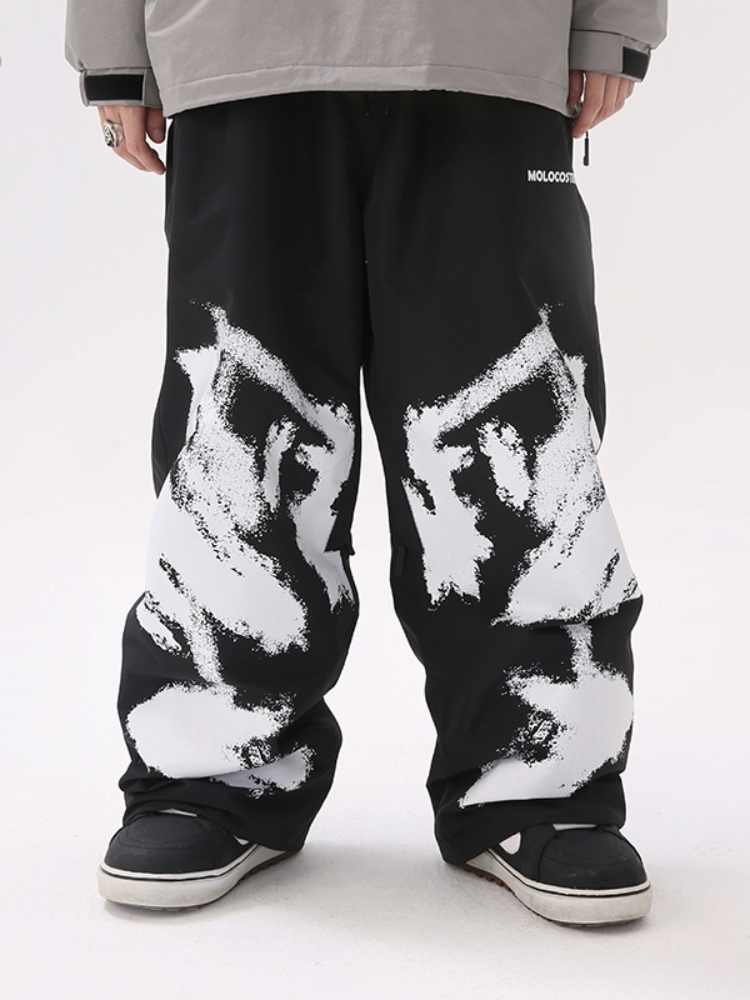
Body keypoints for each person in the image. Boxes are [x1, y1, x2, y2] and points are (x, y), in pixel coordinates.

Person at [65, 0, 667, 925]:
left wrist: (612, 23)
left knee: (512, 429)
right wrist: (111, 47)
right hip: (238, 42)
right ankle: (214, 776)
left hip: (489, 42)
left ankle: (541, 778)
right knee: (244, 430)